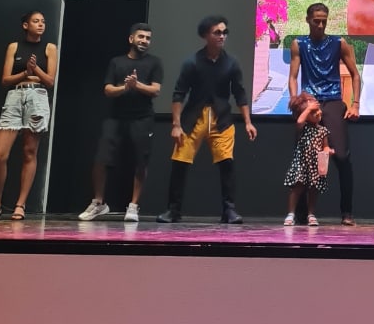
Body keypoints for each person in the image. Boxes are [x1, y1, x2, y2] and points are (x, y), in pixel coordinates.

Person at [160, 15, 257, 223]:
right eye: (217, 32)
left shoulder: (231, 63)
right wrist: (176, 125)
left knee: (226, 164)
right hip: (193, 118)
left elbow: (240, 94)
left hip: (221, 119)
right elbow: (179, 94)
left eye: (224, 32)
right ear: (206, 35)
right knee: (180, 163)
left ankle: (229, 210)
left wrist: (248, 122)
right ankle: (173, 210)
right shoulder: (192, 62)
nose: (222, 36)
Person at [79, 22, 163, 224]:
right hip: (115, 117)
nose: (144, 41)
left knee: (140, 162)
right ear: (131, 39)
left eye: (148, 38)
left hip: (143, 118)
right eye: (141, 37)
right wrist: (125, 88)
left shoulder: (154, 62)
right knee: (101, 158)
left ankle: (133, 206)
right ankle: (99, 203)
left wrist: (136, 85)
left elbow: (156, 90)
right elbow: (108, 90)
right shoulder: (116, 62)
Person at [287, 3, 360, 225]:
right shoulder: (299, 44)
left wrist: (355, 103)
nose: (320, 25)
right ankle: (302, 213)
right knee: (304, 156)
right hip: (309, 101)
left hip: (333, 100)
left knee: (342, 156)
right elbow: (293, 76)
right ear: (308, 20)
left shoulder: (338, 43)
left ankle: (347, 212)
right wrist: (295, 100)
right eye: (316, 21)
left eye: (324, 21)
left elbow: (355, 74)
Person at [0, 10, 56, 220]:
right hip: (15, 95)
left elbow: (50, 81)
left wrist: (35, 70)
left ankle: (20, 205)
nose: (41, 24)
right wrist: (25, 72)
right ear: (25, 25)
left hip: (37, 96)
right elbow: (5, 79)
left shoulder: (50, 48)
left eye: (43, 21)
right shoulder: (14, 47)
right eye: (36, 21)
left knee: (29, 152)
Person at [283, 92, 328, 227]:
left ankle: (311, 214)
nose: (318, 113)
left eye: (318, 110)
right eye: (313, 112)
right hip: (302, 163)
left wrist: (327, 151)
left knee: (314, 189)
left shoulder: (323, 130)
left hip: (315, 164)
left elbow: (325, 146)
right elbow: (299, 121)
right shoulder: (303, 127)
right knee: (297, 188)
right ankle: (291, 213)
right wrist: (308, 109)